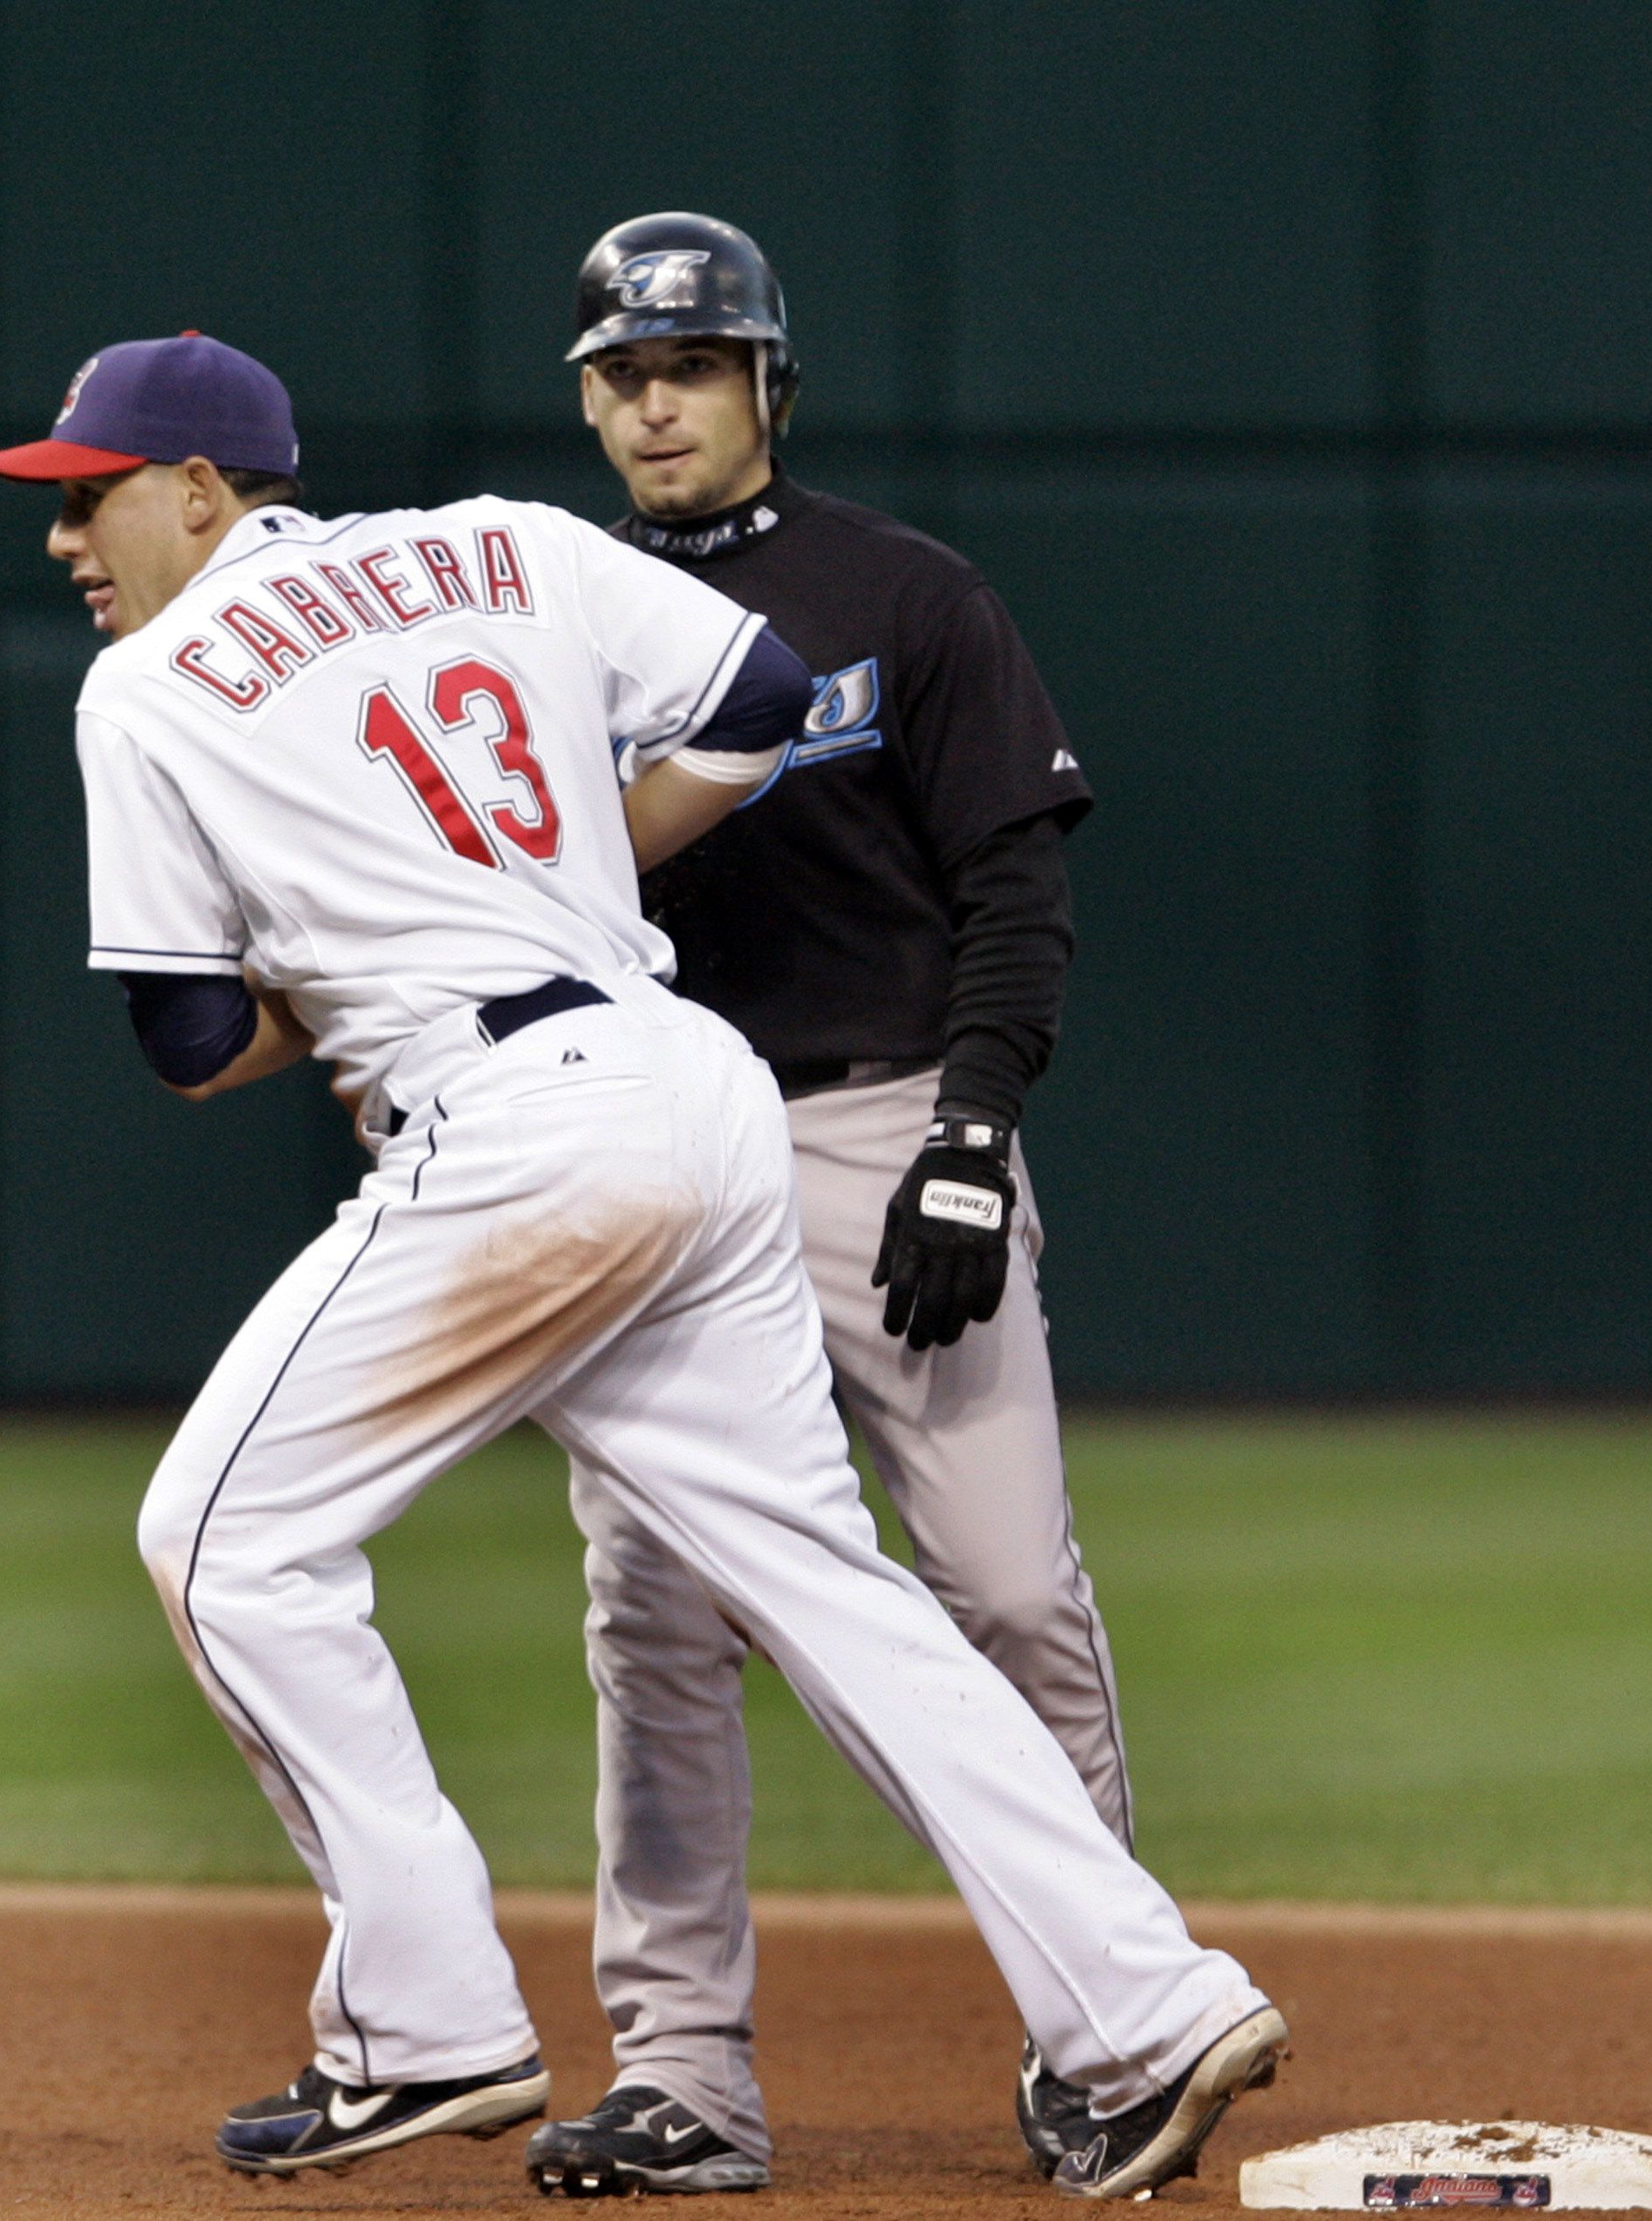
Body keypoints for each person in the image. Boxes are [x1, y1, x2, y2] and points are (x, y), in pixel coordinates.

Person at [0, 331, 1285, 2201]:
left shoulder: (151, 686)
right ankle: (1150, 2005)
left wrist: (350, 951)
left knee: (222, 1539)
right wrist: (588, 858)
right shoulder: (502, 539)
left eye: (85, 496)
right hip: (696, 1080)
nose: (64, 539)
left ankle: (419, 2029)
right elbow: (762, 692)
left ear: (201, 492)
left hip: (510, 1131)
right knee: (834, 1588)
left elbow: (190, 1041)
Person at [518, 212, 1122, 2195]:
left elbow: (1015, 890)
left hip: (885, 1131)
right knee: (655, 1620)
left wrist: (971, 1134)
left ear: (770, 382)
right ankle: (683, 2074)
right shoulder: (543, 617)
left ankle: (1110, 2026)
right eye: (623, 373)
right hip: (658, 1161)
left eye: (692, 366)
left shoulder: (903, 594)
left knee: (1013, 1590)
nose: (655, 403)